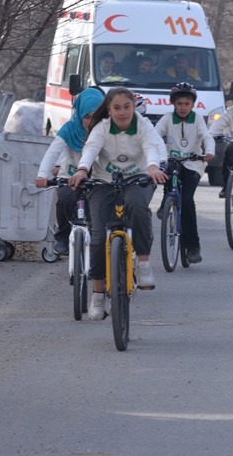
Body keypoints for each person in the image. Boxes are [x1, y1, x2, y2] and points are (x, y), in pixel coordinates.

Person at [70, 87, 167, 319]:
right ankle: (98, 295)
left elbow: (151, 146)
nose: (122, 112)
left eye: (127, 107)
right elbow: (91, 150)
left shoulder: (143, 125)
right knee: (97, 235)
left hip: (139, 178)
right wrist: (83, 170)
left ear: (133, 107)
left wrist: (153, 166)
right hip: (104, 181)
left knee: (137, 206)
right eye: (116, 108)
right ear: (109, 110)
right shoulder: (101, 128)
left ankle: (143, 263)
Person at [35, 87, 105, 256]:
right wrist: (42, 174)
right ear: (79, 113)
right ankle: (63, 237)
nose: (90, 121)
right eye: (87, 116)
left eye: (95, 117)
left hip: (97, 177)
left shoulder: (105, 129)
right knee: (65, 200)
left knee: (98, 212)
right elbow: (53, 152)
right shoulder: (69, 128)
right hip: (70, 175)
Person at [154, 83, 214, 265]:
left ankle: (193, 246)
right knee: (169, 170)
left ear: (192, 105)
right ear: (173, 103)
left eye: (186, 104)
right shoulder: (167, 118)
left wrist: (209, 152)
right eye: (179, 103)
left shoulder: (197, 119)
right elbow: (155, 135)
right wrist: (157, 153)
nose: (182, 107)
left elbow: (207, 136)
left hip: (193, 163)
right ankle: (167, 201)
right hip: (172, 161)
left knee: (187, 201)